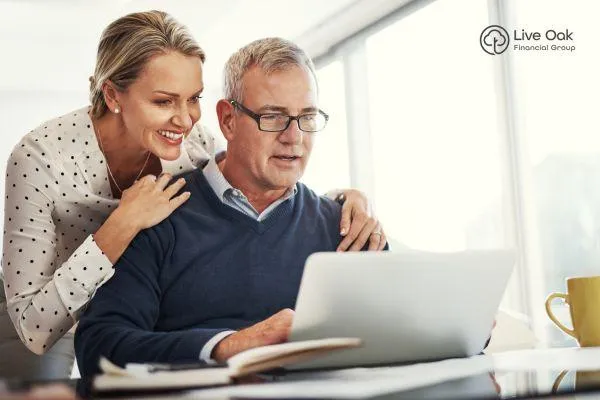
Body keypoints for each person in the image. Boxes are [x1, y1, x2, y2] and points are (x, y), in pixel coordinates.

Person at [0, 11, 386, 380]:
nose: (185, 119)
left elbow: (250, 172)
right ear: (113, 96)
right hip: (43, 312)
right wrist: (123, 223)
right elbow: (39, 329)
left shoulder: (192, 142)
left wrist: (341, 201)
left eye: (193, 98)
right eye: (163, 101)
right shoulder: (41, 158)